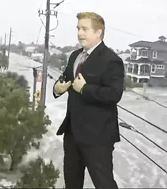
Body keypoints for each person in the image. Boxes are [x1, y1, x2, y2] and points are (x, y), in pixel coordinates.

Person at [53, 12, 124, 189]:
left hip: (98, 138)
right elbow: (64, 79)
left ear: (98, 32)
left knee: (104, 184)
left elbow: (114, 95)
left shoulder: (111, 60)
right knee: (72, 183)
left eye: (84, 29)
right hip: (72, 134)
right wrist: (57, 88)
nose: (79, 33)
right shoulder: (75, 56)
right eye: (78, 28)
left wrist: (85, 89)